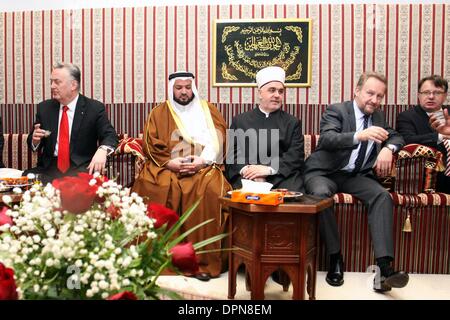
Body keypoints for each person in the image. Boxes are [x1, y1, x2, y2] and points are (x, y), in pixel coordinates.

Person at [304, 71, 409, 292]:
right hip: (324, 172)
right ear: (357, 91)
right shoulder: (337, 110)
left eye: (380, 96)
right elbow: (328, 138)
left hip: (355, 176)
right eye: (370, 93)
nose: (374, 100)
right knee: (321, 194)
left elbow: (396, 136)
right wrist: (358, 136)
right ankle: (335, 258)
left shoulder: (378, 117)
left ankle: (384, 270)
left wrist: (389, 149)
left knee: (381, 195)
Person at [131, 71, 231, 280]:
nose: (184, 92)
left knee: (212, 189)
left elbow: (219, 139)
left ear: (193, 87)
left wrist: (202, 161)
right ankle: (156, 259)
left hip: (202, 166)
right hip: (167, 165)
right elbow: (150, 143)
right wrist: (169, 163)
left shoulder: (208, 110)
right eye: (179, 88)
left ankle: (201, 261)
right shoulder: (158, 112)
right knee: (151, 184)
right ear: (171, 89)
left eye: (187, 87)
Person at [25, 63, 118, 184]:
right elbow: (33, 141)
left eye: (57, 82)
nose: (52, 86)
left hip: (80, 169)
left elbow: (110, 135)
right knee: (25, 181)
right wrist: (35, 140)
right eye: (51, 82)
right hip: (49, 170)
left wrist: (103, 150)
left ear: (73, 85)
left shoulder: (94, 108)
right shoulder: (44, 108)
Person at [225, 66, 304, 192]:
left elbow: (295, 155)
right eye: (272, 90)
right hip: (247, 175)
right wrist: (249, 171)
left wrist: (268, 170)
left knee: (291, 197)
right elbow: (232, 154)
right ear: (260, 93)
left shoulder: (292, 122)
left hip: (281, 175)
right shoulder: (240, 120)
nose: (277, 95)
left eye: (280, 91)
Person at [397, 75, 449, 193]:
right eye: (426, 92)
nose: (431, 97)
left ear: (445, 95)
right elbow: (407, 139)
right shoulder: (407, 117)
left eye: (437, 93)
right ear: (419, 95)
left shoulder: (448, 114)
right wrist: (439, 137)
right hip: (430, 174)